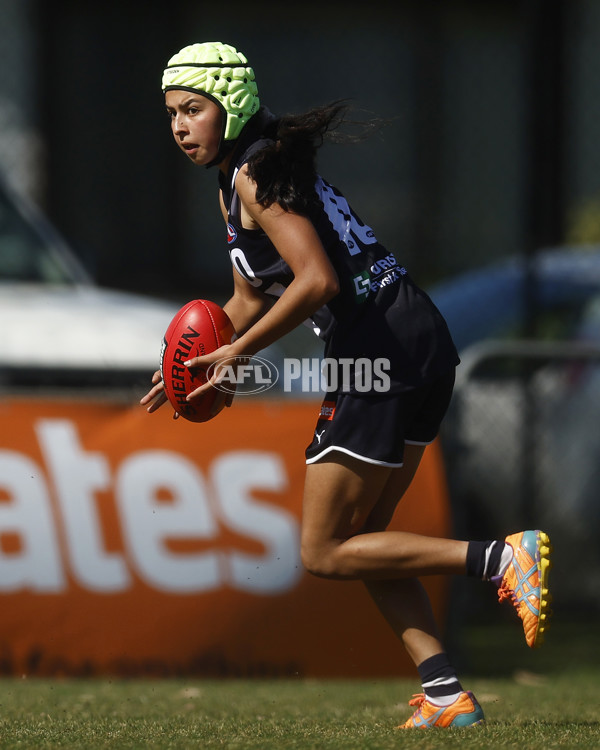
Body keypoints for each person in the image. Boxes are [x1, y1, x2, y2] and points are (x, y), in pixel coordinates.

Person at [141, 41, 552, 729]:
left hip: (378, 346)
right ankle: (447, 694)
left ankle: (501, 558)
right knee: (367, 539)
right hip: (414, 329)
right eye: (172, 114)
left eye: (193, 109)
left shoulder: (254, 172)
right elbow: (249, 293)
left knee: (325, 549)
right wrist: (187, 360)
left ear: (230, 104)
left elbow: (318, 281)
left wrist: (241, 350)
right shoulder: (246, 170)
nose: (181, 126)